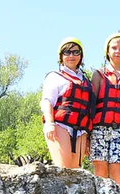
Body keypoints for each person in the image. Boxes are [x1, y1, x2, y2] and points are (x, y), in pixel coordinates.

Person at [90, 33, 120, 186]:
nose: (117, 51)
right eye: (114, 48)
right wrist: (87, 135)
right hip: (98, 130)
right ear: (107, 51)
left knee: (118, 172)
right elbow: (91, 107)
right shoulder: (99, 74)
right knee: (100, 171)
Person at [40, 37, 93, 168]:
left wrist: (88, 138)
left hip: (80, 130)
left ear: (81, 56)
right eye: (67, 52)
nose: (71, 56)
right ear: (61, 56)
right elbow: (47, 101)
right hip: (60, 126)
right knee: (64, 169)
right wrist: (50, 124)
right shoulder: (55, 77)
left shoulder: (86, 81)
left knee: (75, 173)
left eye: (75, 52)